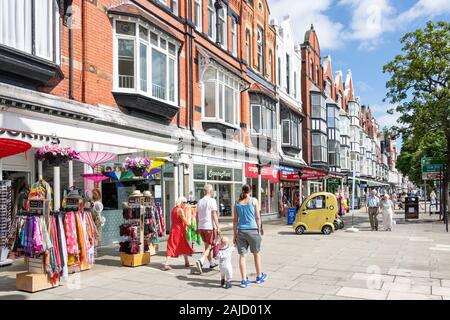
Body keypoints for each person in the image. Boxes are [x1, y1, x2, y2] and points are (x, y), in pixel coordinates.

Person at [233, 185, 267, 288]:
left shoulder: (237, 203)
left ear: (242, 191)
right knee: (256, 254)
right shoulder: (254, 201)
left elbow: (235, 220)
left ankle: (244, 280)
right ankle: (259, 276)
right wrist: (259, 229)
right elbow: (257, 217)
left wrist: (235, 234)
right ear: (250, 191)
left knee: (242, 256)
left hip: (241, 231)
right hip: (253, 230)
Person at [162, 197, 194, 271]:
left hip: (174, 229)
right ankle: (166, 264)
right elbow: (185, 221)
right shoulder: (180, 210)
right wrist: (191, 227)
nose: (185, 205)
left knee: (182, 245)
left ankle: (187, 262)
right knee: (173, 246)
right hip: (179, 231)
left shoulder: (174, 209)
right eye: (185, 203)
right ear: (181, 202)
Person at [195, 184, 221, 274]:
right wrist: (218, 226)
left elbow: (197, 216)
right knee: (210, 246)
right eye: (212, 191)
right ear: (210, 191)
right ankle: (201, 261)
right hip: (209, 226)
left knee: (206, 246)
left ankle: (211, 263)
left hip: (201, 227)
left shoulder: (200, 202)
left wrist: (198, 227)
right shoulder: (212, 201)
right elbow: (214, 215)